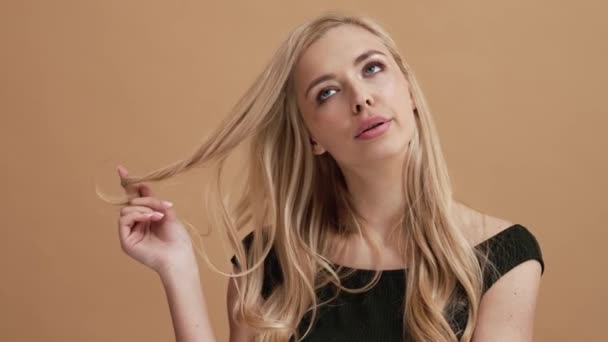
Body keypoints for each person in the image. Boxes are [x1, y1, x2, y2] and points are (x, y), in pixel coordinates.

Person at [104, 13, 545, 342]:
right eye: (327, 93)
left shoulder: (503, 257)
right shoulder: (269, 262)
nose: (360, 98)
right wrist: (178, 271)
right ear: (312, 136)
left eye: (372, 68)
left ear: (409, 90)